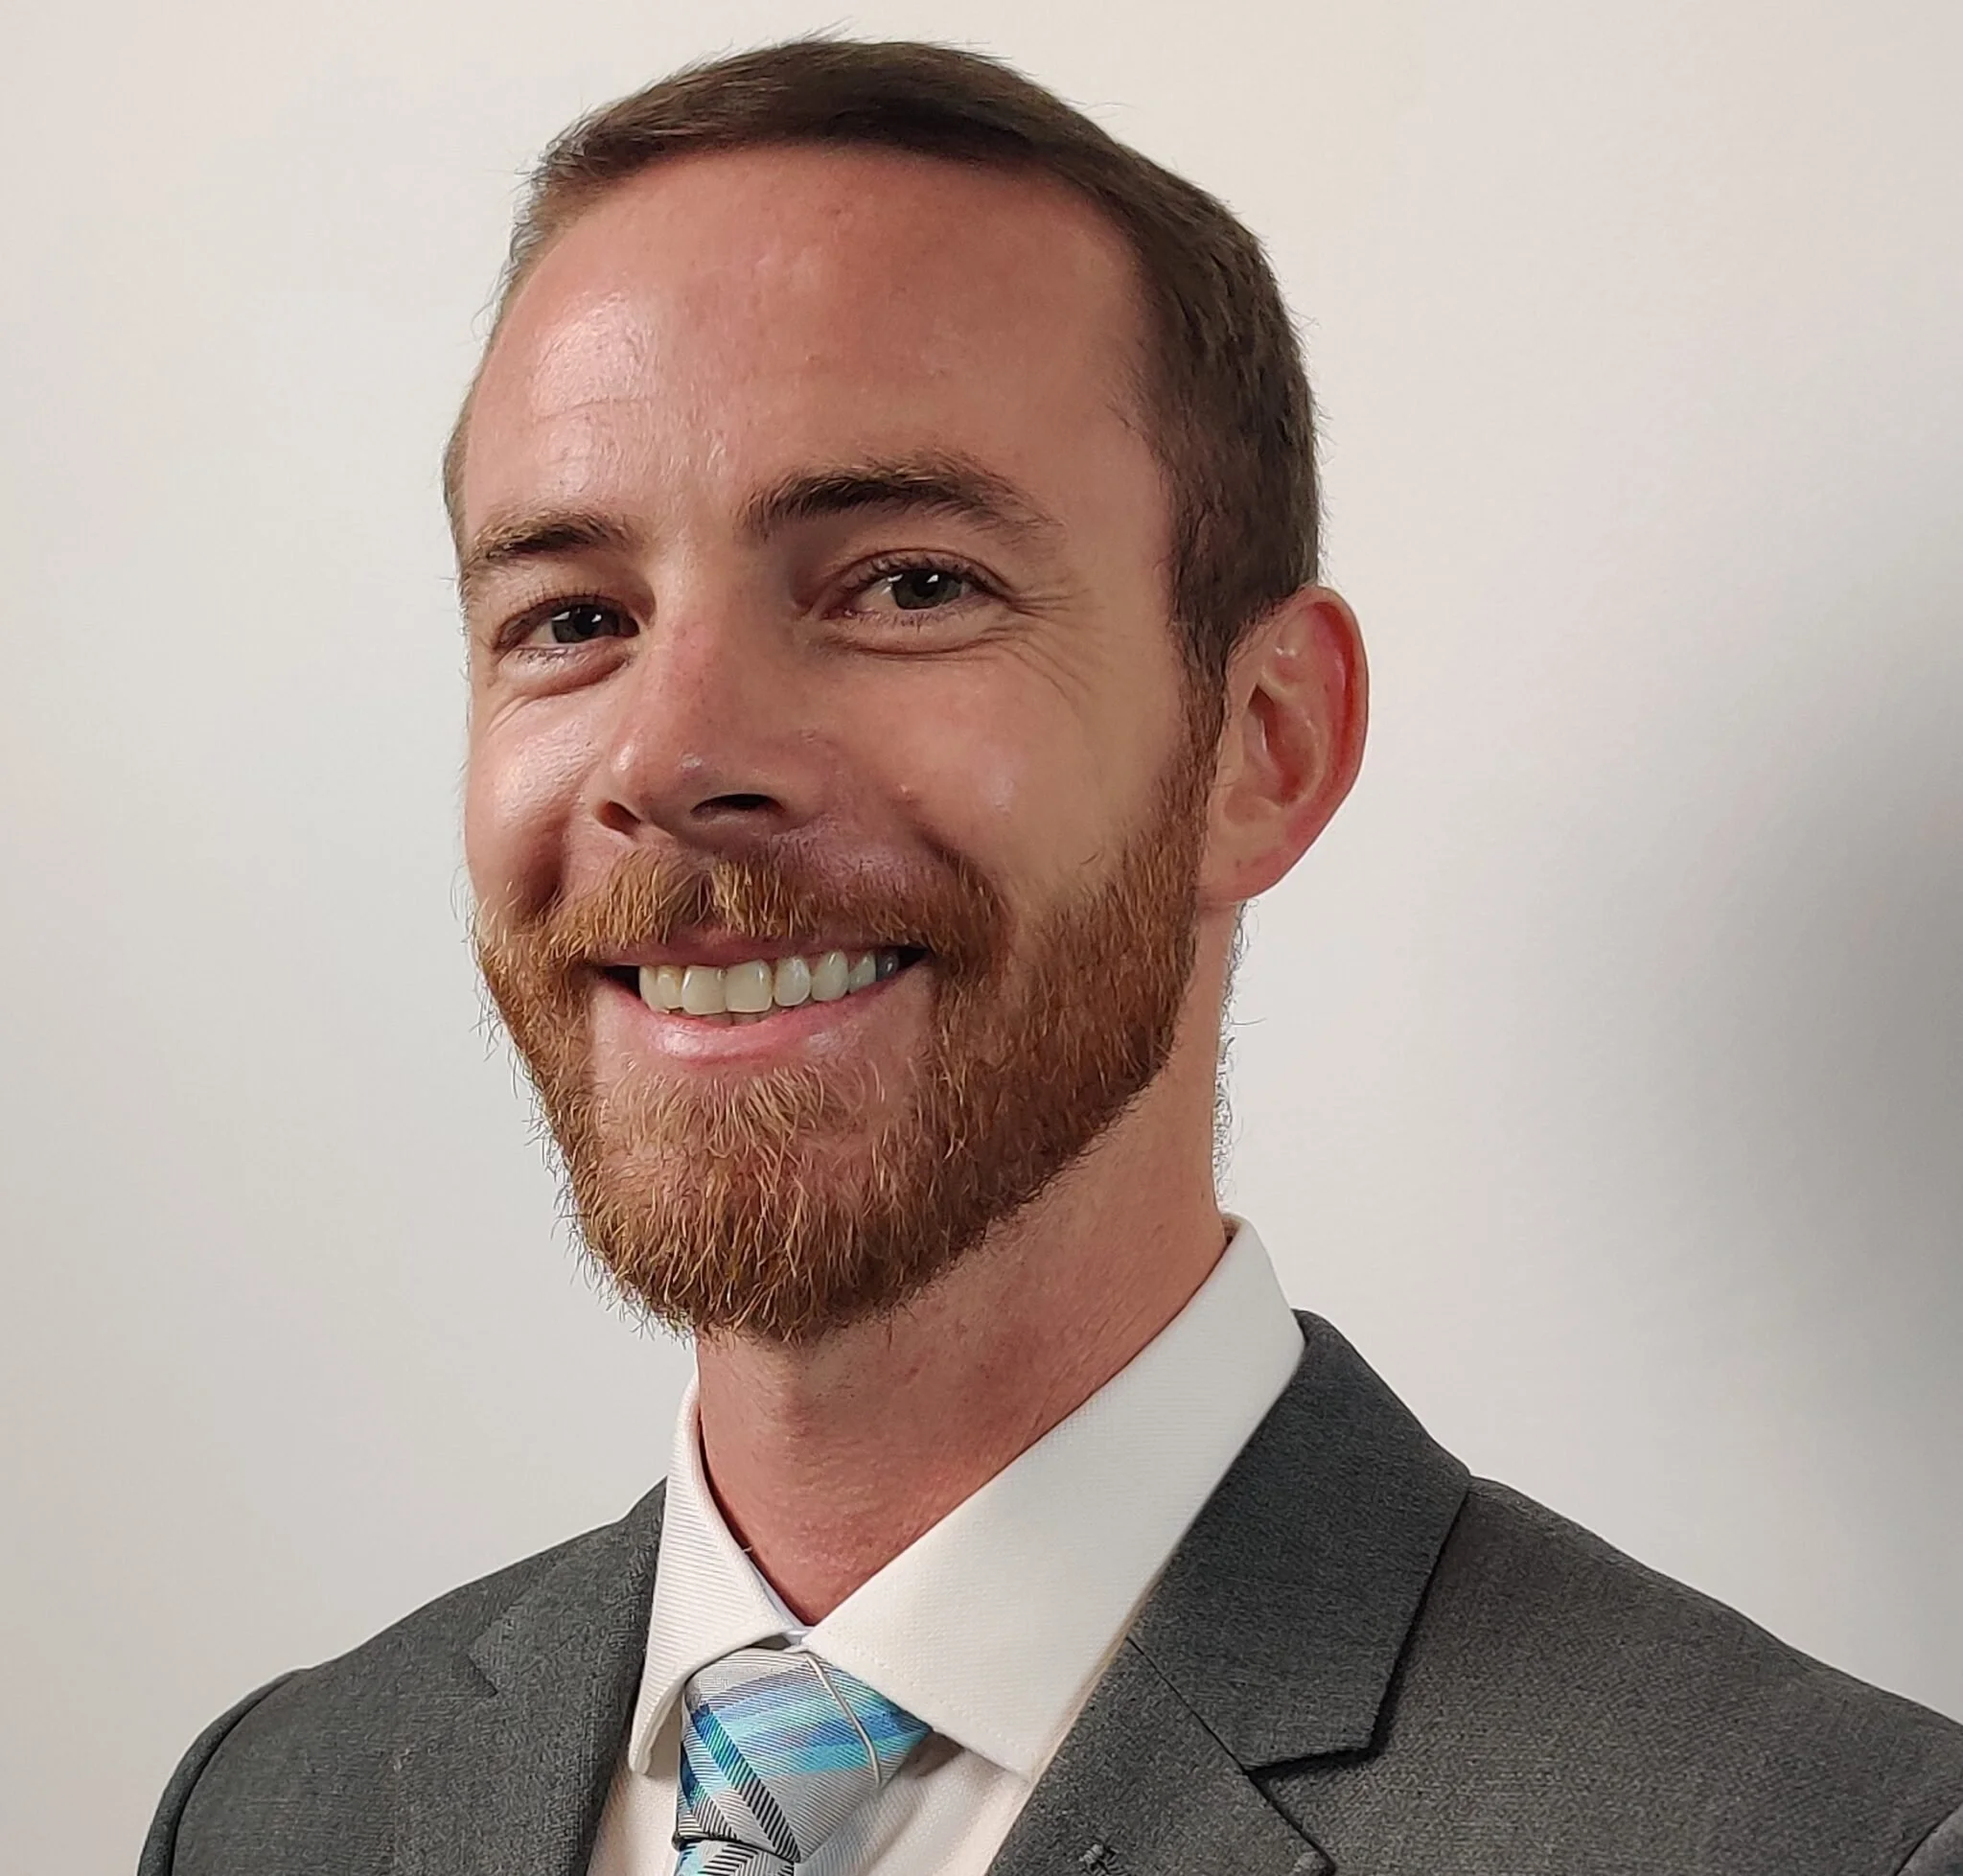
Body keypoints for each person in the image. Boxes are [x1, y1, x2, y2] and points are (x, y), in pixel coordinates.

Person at [141, 36, 1962, 1876]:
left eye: (909, 582)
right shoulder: (276, 1807)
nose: (670, 760)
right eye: (572, 617)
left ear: (1265, 743)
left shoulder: (1812, 1837)